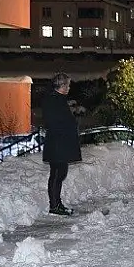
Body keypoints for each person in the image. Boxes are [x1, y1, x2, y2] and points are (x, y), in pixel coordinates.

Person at [42, 73, 81, 216]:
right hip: (57, 144)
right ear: (62, 86)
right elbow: (54, 122)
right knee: (57, 174)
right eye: (68, 85)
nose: (69, 88)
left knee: (60, 174)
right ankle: (54, 205)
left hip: (59, 143)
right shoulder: (53, 100)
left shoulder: (58, 99)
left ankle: (57, 204)